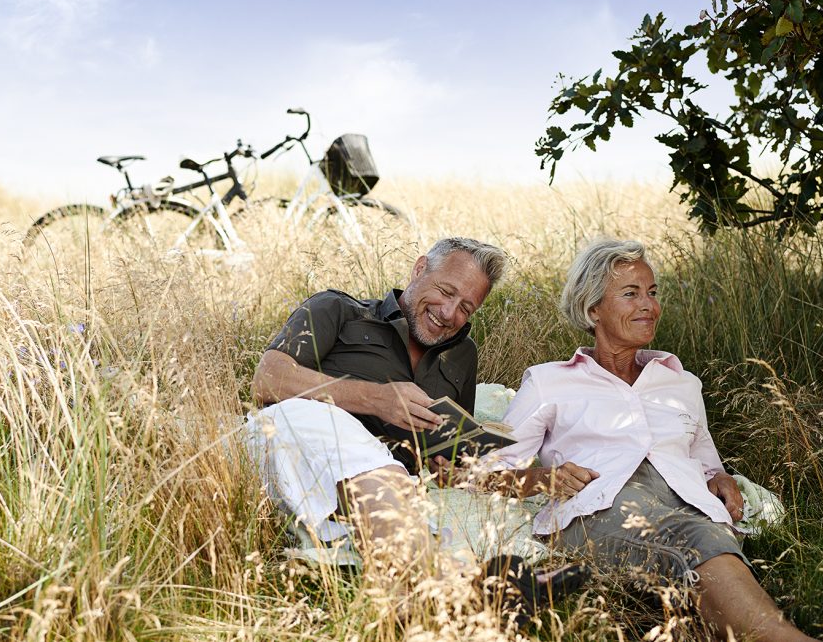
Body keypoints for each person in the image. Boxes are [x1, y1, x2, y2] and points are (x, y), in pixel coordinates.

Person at [484, 238, 818, 642]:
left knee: (701, 538)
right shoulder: (549, 381)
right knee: (694, 537)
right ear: (593, 310)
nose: (649, 305)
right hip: (602, 506)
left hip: (683, 502)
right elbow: (491, 471)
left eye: (653, 292)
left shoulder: (681, 382)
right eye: (630, 294)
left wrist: (722, 479)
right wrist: (544, 479)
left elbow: (706, 461)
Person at [246, 237, 584, 623]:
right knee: (324, 422)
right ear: (420, 268)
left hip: (382, 481)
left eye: (466, 307)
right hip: (296, 436)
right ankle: (463, 591)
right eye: (446, 291)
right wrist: (376, 399)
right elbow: (268, 379)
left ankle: (431, 605)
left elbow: (458, 462)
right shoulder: (338, 309)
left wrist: (505, 474)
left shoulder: (462, 355)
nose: (449, 313)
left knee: (396, 482)